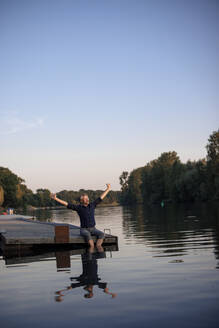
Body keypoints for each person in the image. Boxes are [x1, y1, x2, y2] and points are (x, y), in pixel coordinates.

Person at [50, 184, 111, 249]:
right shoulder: (79, 208)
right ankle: (92, 249)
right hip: (84, 229)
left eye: (87, 198)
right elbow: (66, 203)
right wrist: (56, 198)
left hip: (93, 229)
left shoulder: (92, 205)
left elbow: (101, 197)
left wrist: (108, 188)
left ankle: (99, 248)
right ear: (82, 201)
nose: (87, 199)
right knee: (87, 235)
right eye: (85, 199)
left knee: (102, 234)